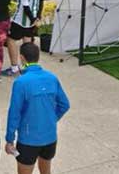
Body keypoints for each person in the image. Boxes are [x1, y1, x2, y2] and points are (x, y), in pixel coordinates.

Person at [5, 43, 70, 174]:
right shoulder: (52, 78)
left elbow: (14, 114)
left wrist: (9, 139)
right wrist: (52, 118)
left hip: (28, 140)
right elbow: (64, 104)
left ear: (22, 58)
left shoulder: (20, 82)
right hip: (50, 138)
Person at [4, 0, 42, 77]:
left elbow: (25, 5)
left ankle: (15, 67)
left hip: (21, 19)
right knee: (27, 41)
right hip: (33, 15)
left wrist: (33, 19)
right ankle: (27, 67)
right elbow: (41, 0)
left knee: (10, 39)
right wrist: (37, 17)